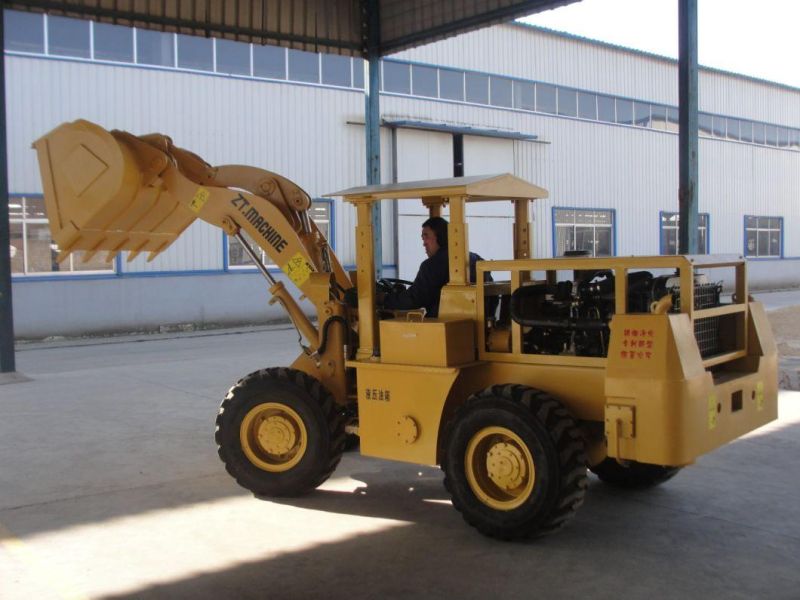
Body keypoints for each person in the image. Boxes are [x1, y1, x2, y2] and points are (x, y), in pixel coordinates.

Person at [383, 216, 490, 318]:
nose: (424, 244)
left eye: (426, 237)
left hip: (445, 324)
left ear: (440, 236)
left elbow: (414, 299)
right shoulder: (476, 259)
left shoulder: (431, 265)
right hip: (479, 321)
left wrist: (384, 299)